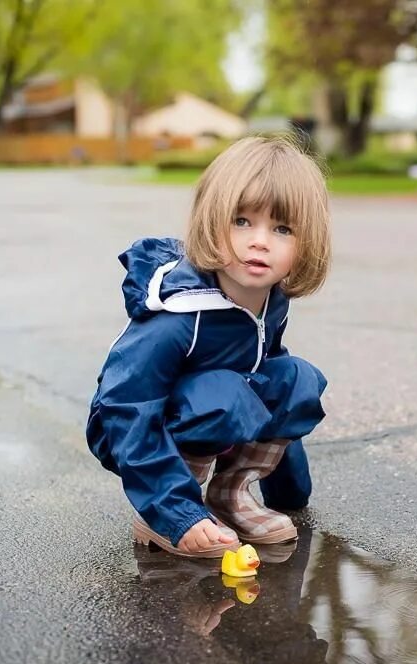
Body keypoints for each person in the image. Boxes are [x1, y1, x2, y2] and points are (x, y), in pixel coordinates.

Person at [86, 135, 331, 558]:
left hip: (215, 413)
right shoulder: (177, 317)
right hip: (131, 427)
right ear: (211, 220)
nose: (260, 241)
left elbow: (266, 366)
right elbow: (124, 406)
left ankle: (229, 494)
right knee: (223, 394)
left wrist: (288, 488)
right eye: (241, 221)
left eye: (282, 228)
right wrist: (175, 514)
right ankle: (174, 508)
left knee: (296, 378)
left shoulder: (271, 298)